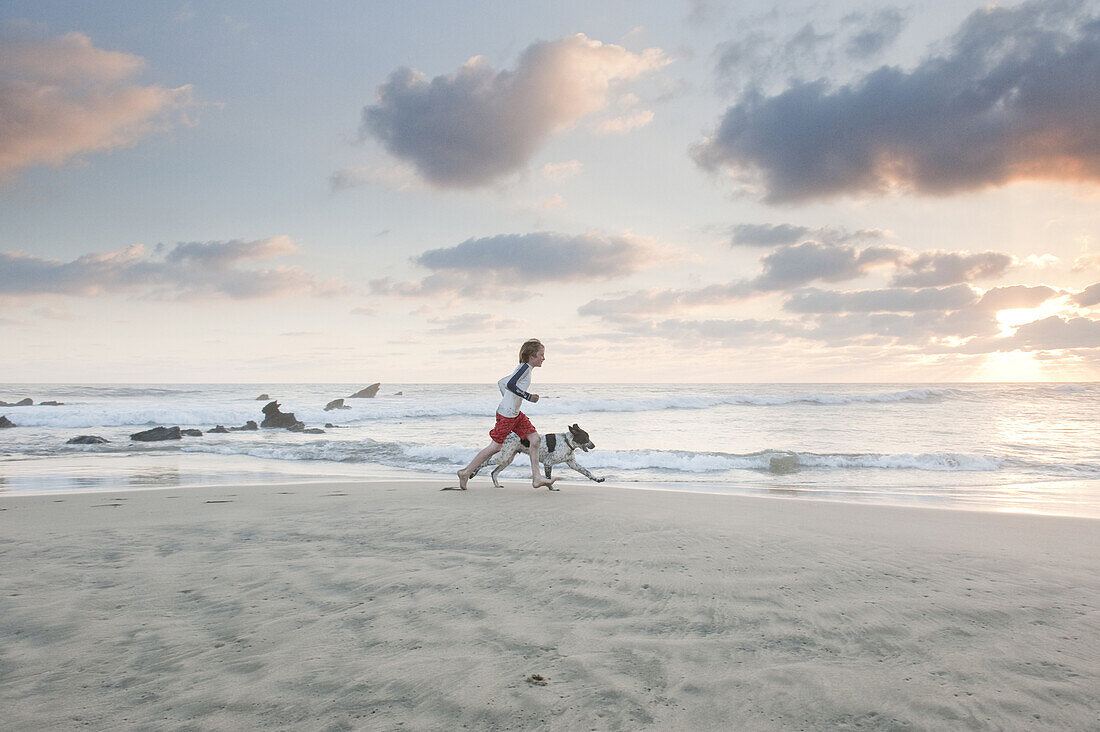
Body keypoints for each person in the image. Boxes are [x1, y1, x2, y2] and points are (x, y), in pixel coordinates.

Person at [457, 339, 557, 490]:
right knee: (496, 447)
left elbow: (501, 383)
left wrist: (510, 400)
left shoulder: (524, 369)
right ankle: (465, 472)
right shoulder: (524, 368)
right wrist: (527, 396)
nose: (544, 358)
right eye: (541, 354)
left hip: (514, 413)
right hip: (507, 415)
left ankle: (537, 478)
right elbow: (510, 385)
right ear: (531, 355)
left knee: (535, 439)